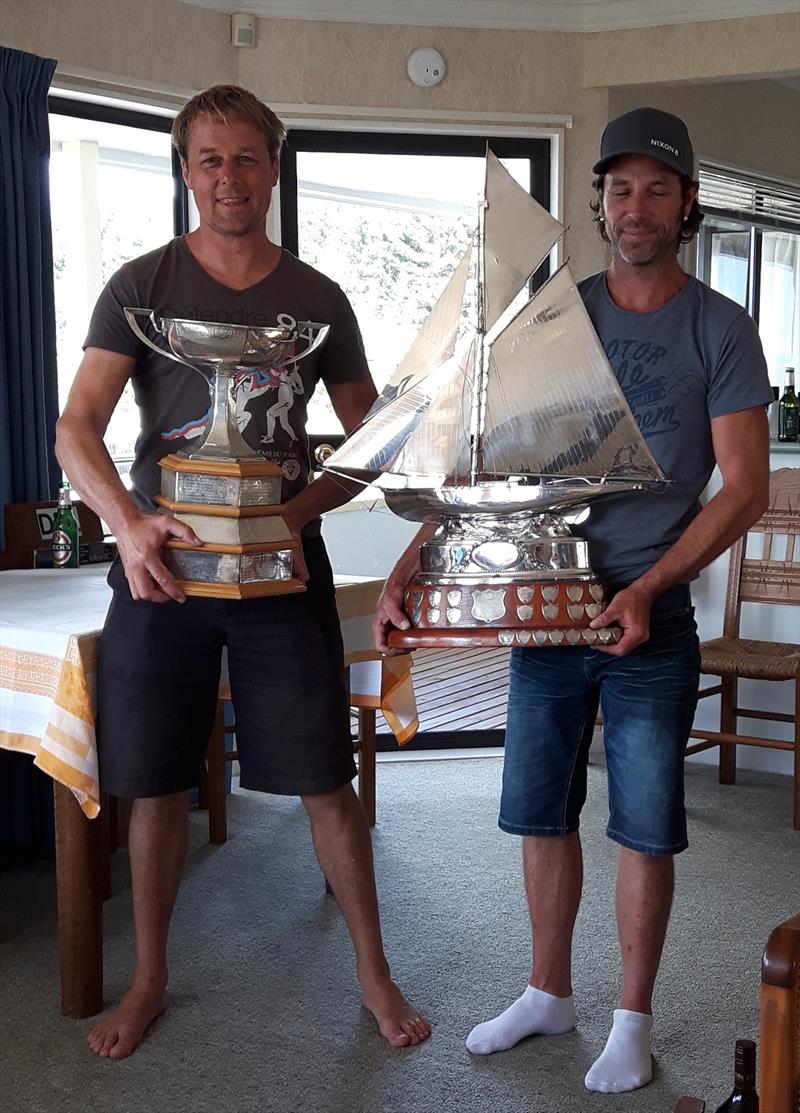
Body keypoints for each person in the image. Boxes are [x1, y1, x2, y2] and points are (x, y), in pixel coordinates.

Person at [374, 106, 773, 1093]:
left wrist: (646, 587)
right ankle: (546, 992)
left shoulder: (718, 329)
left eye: (655, 188)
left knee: (642, 821)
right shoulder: (559, 315)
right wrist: (417, 561)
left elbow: (745, 485)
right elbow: (491, 462)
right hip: (539, 608)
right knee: (537, 813)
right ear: (597, 202)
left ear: (684, 205)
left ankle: (630, 1020)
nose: (633, 206)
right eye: (617, 187)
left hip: (649, 615)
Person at [55, 84, 430, 1060]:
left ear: (272, 165)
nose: (228, 177)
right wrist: (130, 526)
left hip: (278, 579)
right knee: (152, 784)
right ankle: (146, 979)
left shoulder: (315, 299)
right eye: (208, 160)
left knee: (323, 779)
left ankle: (373, 971)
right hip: (162, 577)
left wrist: (289, 516)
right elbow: (76, 428)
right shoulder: (140, 285)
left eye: (246, 158)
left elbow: (370, 438)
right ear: (185, 171)